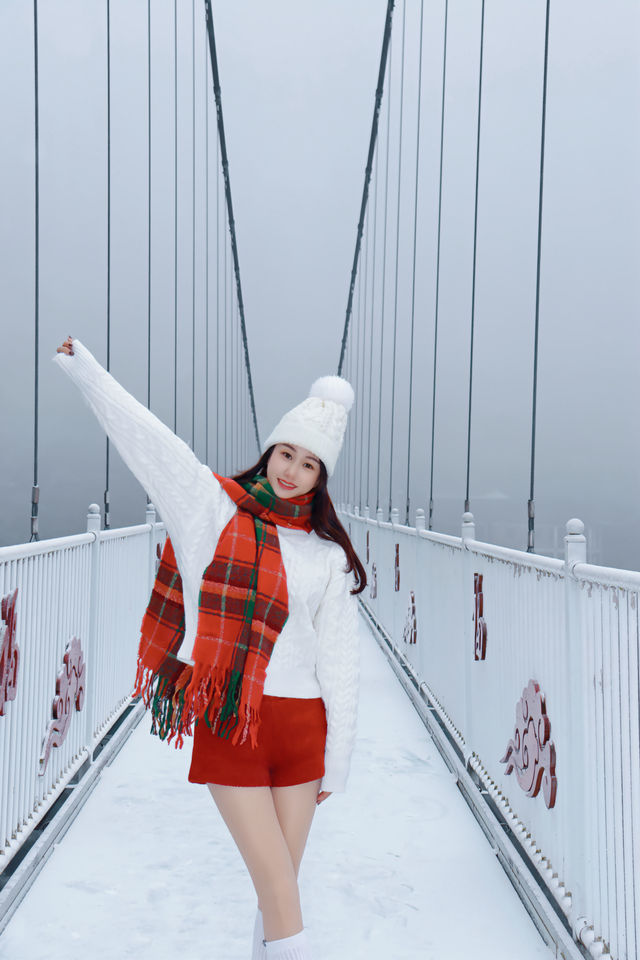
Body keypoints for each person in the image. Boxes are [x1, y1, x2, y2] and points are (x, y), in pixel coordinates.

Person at [54, 336, 365, 960]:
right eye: (285, 453)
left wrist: (340, 757)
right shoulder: (213, 511)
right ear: (269, 451)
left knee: (281, 895)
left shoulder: (327, 556)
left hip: (304, 729)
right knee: (279, 887)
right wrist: (85, 371)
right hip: (232, 717)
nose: (290, 471)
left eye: (308, 463)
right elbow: (155, 447)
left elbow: (341, 663)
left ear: (320, 476)